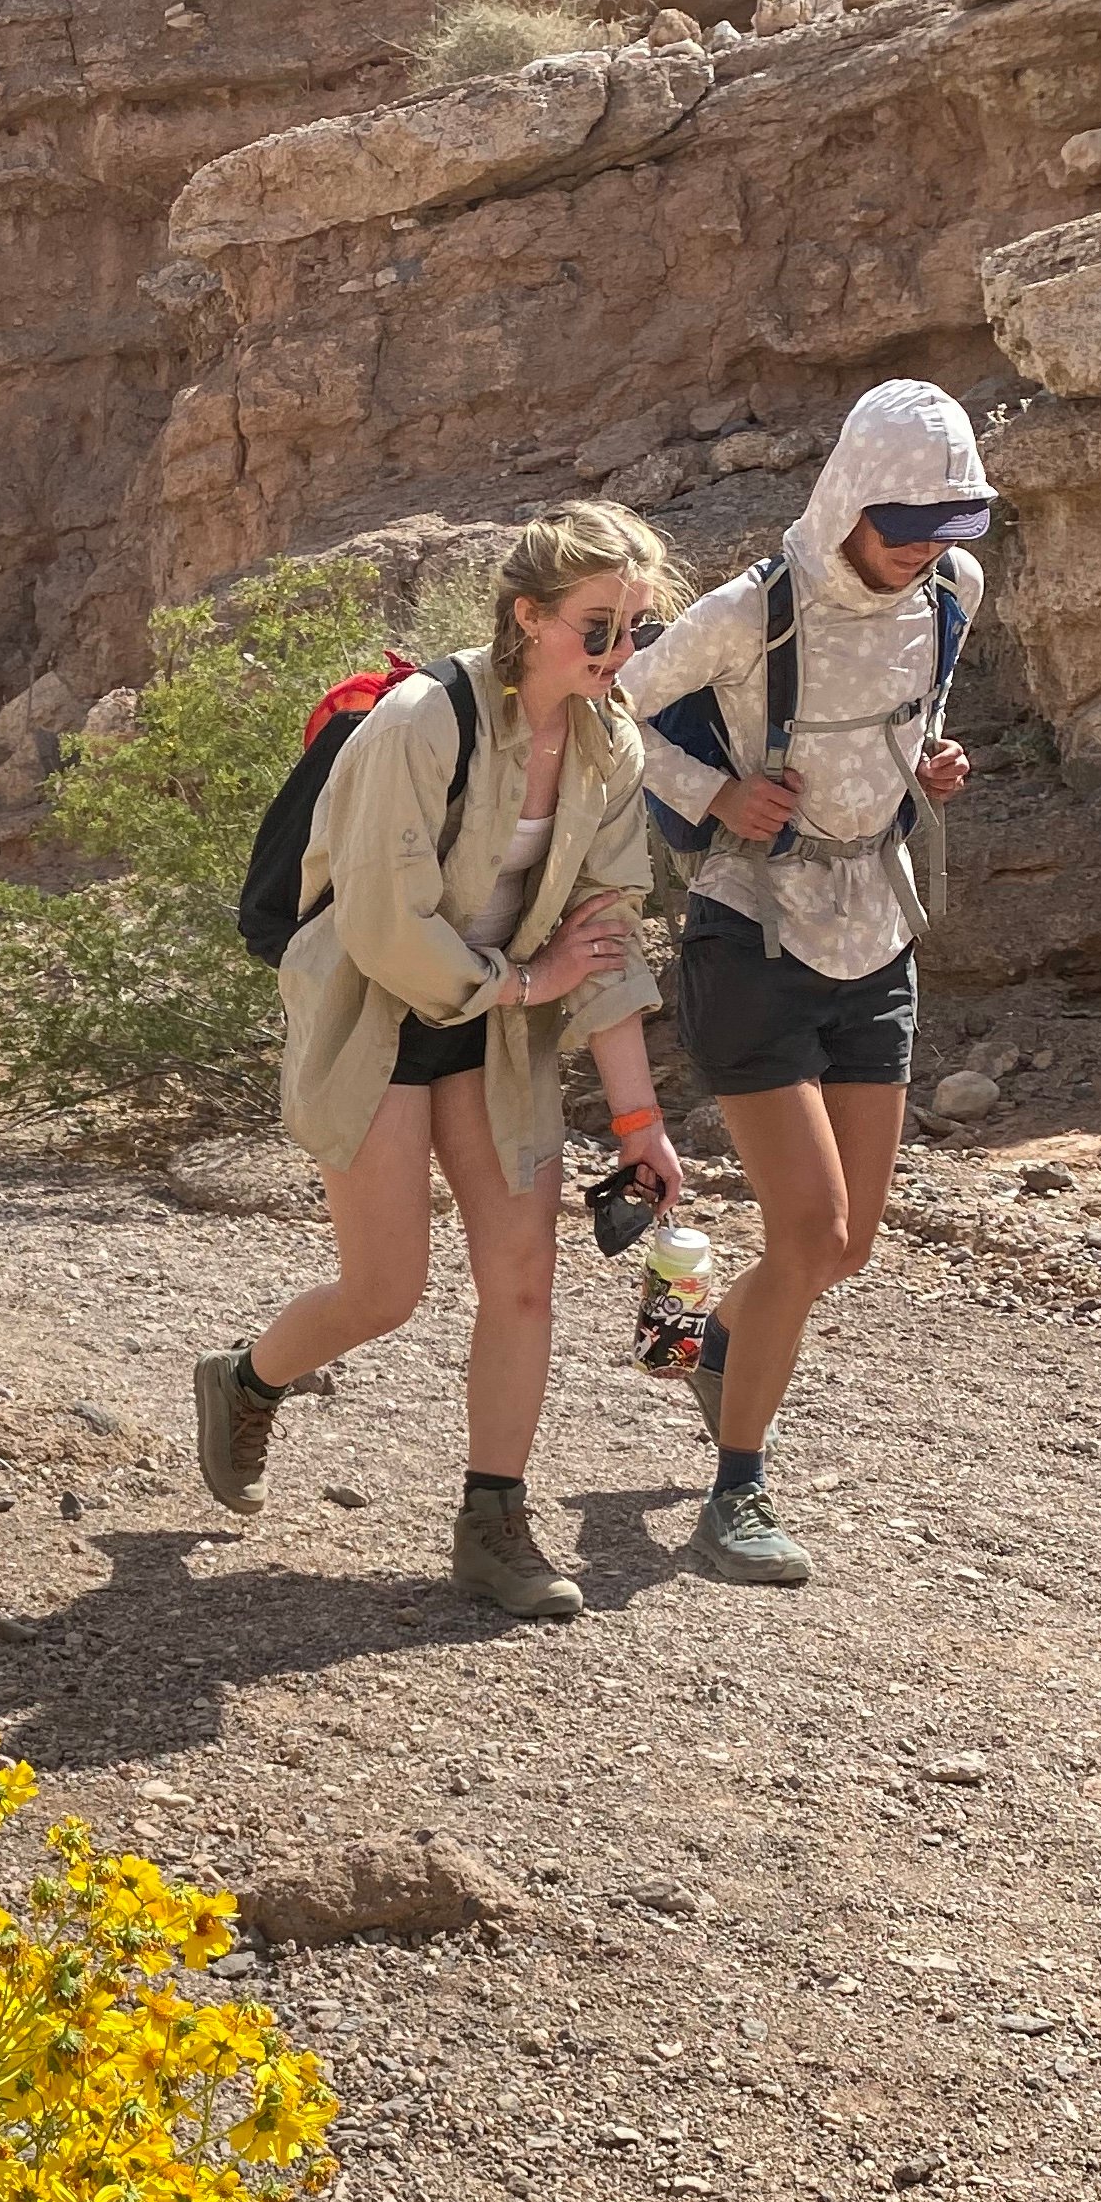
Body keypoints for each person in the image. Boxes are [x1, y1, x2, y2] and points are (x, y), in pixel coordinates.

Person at [192, 503, 687, 1623]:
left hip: (503, 1018)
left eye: (639, 633)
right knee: (386, 1290)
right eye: (597, 629)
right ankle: (246, 1380)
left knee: (523, 1279)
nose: (619, 656)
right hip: (374, 1006)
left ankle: (494, 1521)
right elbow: (381, 925)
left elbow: (606, 941)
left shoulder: (614, 747)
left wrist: (638, 1121)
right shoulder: (423, 721)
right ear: (528, 616)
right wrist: (525, 984)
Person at [623, 378, 987, 1588]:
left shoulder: (952, 594)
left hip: (876, 932)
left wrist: (926, 761)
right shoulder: (751, 611)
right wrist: (713, 793)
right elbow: (612, 714)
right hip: (751, 937)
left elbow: (909, 711)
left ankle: (702, 1337)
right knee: (812, 1229)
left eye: (951, 527)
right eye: (907, 527)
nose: (927, 552)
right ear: (847, 504)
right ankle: (736, 1494)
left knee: (847, 1250)